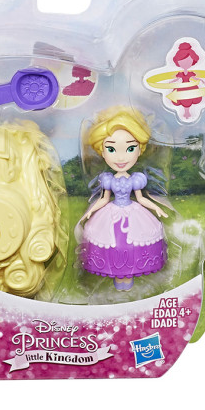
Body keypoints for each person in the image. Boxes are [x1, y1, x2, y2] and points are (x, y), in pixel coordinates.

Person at [80, 107, 167, 291]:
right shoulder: (107, 179)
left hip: (133, 213)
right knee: (111, 243)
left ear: (140, 150)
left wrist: (157, 208)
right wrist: (91, 211)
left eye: (130, 148)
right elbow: (104, 199)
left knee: (134, 242)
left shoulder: (136, 179)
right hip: (110, 214)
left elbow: (141, 198)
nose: (121, 157)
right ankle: (119, 279)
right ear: (102, 151)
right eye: (111, 149)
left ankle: (127, 278)